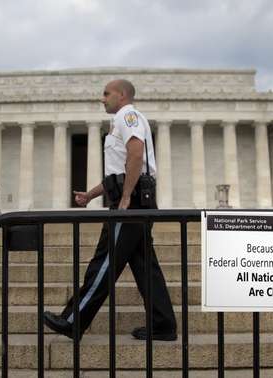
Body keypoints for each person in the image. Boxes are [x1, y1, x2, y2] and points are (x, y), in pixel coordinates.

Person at [43, 79, 177, 341]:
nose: (102, 99)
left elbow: (136, 155)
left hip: (131, 203)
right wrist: (90, 195)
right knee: (144, 266)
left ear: (122, 95)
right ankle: (163, 324)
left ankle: (73, 320)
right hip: (134, 201)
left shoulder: (128, 116)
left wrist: (126, 196)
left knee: (104, 262)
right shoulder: (120, 121)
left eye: (106, 94)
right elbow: (118, 172)